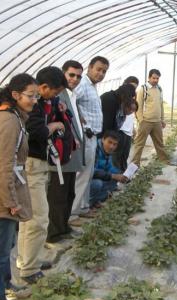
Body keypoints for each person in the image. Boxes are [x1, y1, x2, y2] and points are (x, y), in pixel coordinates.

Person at [0, 73, 37, 300]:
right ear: (15, 95)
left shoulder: (13, 116)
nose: (34, 100)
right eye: (31, 96)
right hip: (1, 193)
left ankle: (5, 284)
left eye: (36, 96)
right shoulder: (9, 121)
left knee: (7, 244)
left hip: (5, 190)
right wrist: (11, 202)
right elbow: (4, 167)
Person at [17, 67, 66, 284]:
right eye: (54, 92)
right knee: (38, 219)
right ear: (44, 87)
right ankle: (29, 269)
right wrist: (54, 125)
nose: (54, 97)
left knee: (29, 219)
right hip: (32, 165)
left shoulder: (42, 102)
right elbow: (36, 131)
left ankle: (28, 260)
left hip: (37, 164)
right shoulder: (33, 106)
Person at [46, 60, 85, 240]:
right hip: (59, 155)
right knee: (57, 196)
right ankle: (53, 232)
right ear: (63, 74)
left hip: (70, 153)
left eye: (78, 76)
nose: (75, 79)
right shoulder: (57, 96)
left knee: (69, 193)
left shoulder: (71, 95)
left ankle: (63, 227)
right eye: (71, 75)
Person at [73, 56, 109, 219]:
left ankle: (83, 206)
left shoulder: (92, 86)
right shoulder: (82, 84)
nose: (101, 73)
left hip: (92, 136)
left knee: (86, 174)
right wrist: (78, 118)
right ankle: (74, 211)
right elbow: (71, 102)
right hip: (85, 135)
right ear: (90, 67)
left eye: (104, 71)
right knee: (81, 174)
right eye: (98, 69)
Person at [131, 69, 169, 166]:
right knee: (139, 144)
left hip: (157, 122)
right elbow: (138, 106)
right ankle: (135, 163)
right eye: (154, 78)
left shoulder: (159, 89)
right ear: (149, 77)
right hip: (146, 121)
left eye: (157, 78)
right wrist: (141, 120)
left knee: (159, 143)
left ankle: (164, 161)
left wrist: (162, 119)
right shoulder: (143, 89)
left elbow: (161, 105)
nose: (156, 80)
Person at [89, 131, 128, 208]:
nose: (111, 147)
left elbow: (110, 168)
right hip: (87, 180)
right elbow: (91, 172)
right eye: (109, 142)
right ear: (103, 139)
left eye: (114, 144)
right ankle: (87, 204)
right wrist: (112, 176)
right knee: (97, 184)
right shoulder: (94, 149)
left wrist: (122, 174)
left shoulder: (107, 152)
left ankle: (95, 200)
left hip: (98, 177)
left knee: (114, 182)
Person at [114, 76, 139, 171]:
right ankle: (115, 178)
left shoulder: (133, 96)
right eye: (131, 86)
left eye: (135, 87)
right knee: (117, 156)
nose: (133, 90)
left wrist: (133, 128)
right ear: (124, 84)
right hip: (120, 130)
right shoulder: (119, 96)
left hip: (128, 131)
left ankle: (124, 175)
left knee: (125, 155)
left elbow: (131, 114)